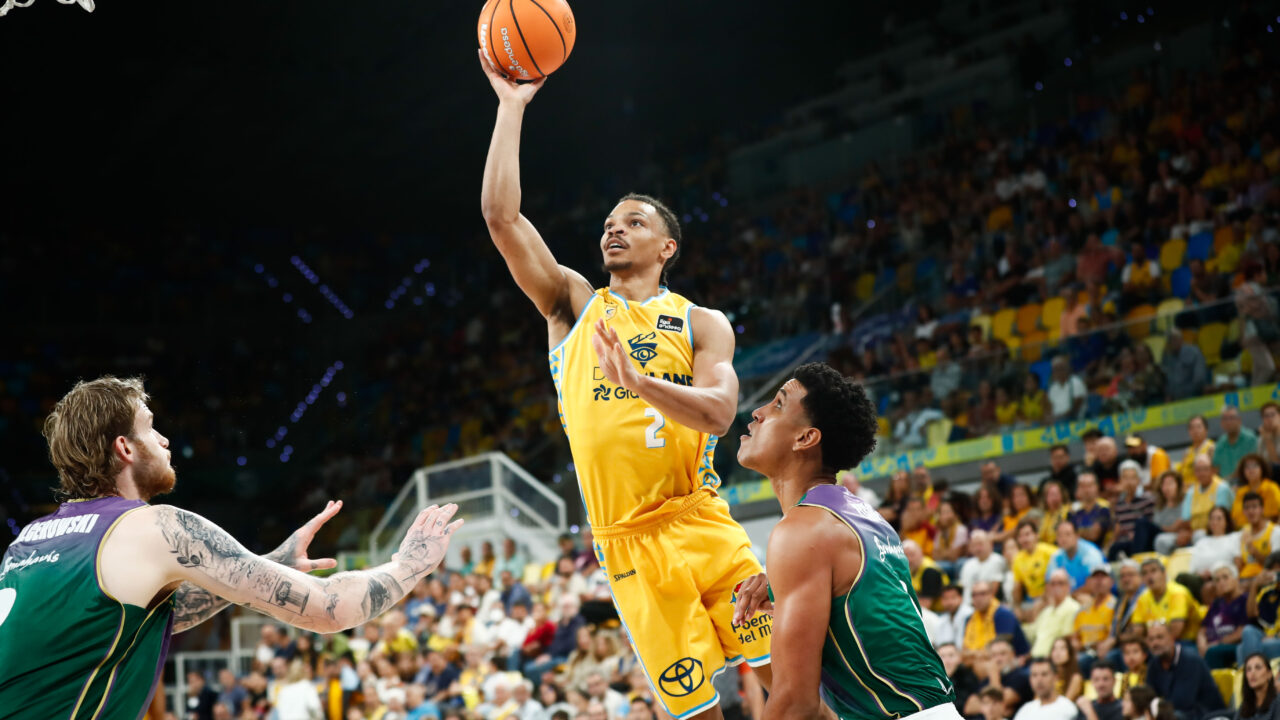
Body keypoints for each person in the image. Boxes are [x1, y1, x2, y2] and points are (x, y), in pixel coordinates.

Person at [479, 54, 772, 718]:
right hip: (626, 541)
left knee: (790, 680)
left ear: (668, 247)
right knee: (698, 711)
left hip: (703, 520)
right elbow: (502, 218)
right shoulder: (574, 305)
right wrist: (511, 107)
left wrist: (637, 382)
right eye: (610, 221)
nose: (615, 227)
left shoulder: (702, 321)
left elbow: (722, 413)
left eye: (635, 221)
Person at [0, 377, 459, 718]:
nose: (163, 440)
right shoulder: (153, 526)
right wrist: (410, 564)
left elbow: (146, 618)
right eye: (151, 428)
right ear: (125, 447)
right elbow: (329, 609)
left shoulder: (26, 544)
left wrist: (269, 564)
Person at [731, 363, 957, 720]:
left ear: (805, 438)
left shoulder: (805, 530)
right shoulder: (862, 518)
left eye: (777, 404)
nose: (756, 413)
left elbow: (794, 703)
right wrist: (779, 584)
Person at [1143, 621, 1226, 720]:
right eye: (1151, 639)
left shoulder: (1191, 660)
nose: (1155, 643)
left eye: (1160, 637)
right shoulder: (1154, 664)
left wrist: (1157, 709)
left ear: (1172, 638)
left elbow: (1183, 702)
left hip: (1204, 714)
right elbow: (1148, 698)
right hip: (1176, 713)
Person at [1133, 558, 1202, 644]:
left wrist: (1153, 644)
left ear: (1164, 573)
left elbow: (1176, 631)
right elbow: (1137, 632)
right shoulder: (1142, 598)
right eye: (1144, 573)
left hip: (1186, 641)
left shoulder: (1178, 593)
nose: (1149, 576)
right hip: (1155, 643)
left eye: (1153, 571)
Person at [1197, 562, 1246, 669]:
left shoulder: (1244, 600)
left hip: (1232, 646)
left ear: (1236, 578)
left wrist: (1217, 644)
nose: (1221, 582)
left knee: (1213, 652)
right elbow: (1202, 630)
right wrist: (1202, 644)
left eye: (1225, 577)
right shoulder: (1217, 603)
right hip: (1210, 647)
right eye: (1217, 580)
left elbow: (1241, 632)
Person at [963, 581, 1030, 657]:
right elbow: (965, 649)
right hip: (980, 660)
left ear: (992, 594)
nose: (978, 598)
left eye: (982, 594)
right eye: (974, 595)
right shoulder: (969, 619)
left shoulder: (1003, 615)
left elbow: (1001, 649)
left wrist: (972, 655)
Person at [1028, 570, 1082, 657]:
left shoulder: (1073, 608)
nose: (1056, 587)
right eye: (1053, 584)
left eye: (1061, 583)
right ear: (1048, 587)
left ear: (1068, 586)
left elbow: (1067, 639)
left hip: (1053, 659)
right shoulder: (1046, 611)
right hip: (1035, 658)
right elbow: (1032, 633)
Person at [1011, 520, 1058, 621]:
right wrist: (1016, 607)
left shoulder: (1050, 552)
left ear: (1036, 535)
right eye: (1020, 536)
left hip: (1052, 596)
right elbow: (1017, 588)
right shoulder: (1018, 559)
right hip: (1031, 600)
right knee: (1010, 613)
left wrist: (1044, 599)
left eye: (1027, 534)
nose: (1024, 539)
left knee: (1039, 607)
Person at [1075, 567, 1117, 674]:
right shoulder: (1083, 608)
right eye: (1095, 577)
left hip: (1102, 652)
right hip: (1084, 651)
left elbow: (1113, 636)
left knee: (1081, 662)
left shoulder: (1116, 606)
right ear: (1089, 582)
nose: (1099, 580)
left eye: (1103, 577)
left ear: (1112, 582)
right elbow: (1075, 636)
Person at [1047, 519, 1106, 591]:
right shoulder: (1056, 556)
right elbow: (1049, 583)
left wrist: (1070, 597)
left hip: (1091, 595)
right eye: (1060, 535)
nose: (1063, 539)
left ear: (1077, 536)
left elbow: (1095, 585)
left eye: (1068, 534)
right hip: (1066, 597)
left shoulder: (1090, 553)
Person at [1011, 658, 1078, 720]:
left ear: (1055, 677)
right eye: (1034, 675)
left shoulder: (1067, 708)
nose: (1039, 680)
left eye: (1044, 674)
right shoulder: (1026, 709)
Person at [1239, 492, 1280, 582]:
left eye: (1254, 507)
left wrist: (1253, 550)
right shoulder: (1243, 532)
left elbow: (1275, 566)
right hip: (1244, 578)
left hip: (1266, 578)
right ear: (1243, 512)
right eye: (1247, 508)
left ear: (1262, 509)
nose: (1251, 511)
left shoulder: (1275, 532)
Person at [959, 531, 1008, 606]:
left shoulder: (997, 560)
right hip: (970, 605)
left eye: (980, 544)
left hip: (991, 605)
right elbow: (966, 589)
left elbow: (994, 591)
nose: (978, 548)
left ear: (990, 545)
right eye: (974, 545)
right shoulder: (968, 564)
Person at [1188, 507, 1240, 578]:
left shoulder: (1234, 538)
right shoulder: (1201, 542)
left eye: (1219, 519)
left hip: (1223, 578)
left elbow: (1237, 565)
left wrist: (1214, 573)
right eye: (1212, 518)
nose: (1215, 522)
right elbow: (1192, 568)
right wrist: (1201, 575)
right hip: (1200, 578)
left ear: (1227, 522)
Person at [1232, 454, 1280, 528]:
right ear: (1243, 472)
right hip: (1242, 532)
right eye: (1247, 467)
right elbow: (1235, 518)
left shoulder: (1271, 488)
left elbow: (1273, 517)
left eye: (1255, 466)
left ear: (1262, 469)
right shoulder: (1240, 492)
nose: (1251, 469)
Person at [1216, 406, 1260, 483]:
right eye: (1225, 419)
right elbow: (1215, 467)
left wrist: (1228, 480)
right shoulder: (1220, 442)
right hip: (1224, 485)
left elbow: (1252, 465)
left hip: (1246, 482)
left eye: (1231, 418)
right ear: (1221, 423)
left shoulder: (1250, 439)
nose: (1228, 422)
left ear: (1239, 420)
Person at [1161, 333, 1210, 402]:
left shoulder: (1194, 352)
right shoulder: (1168, 358)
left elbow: (1199, 378)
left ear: (1181, 339)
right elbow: (1168, 381)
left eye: (1174, 339)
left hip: (1193, 394)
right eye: (1169, 341)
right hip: (1175, 398)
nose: (1172, 342)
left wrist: (1183, 392)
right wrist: (1169, 394)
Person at [1071, 473, 1113, 548]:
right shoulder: (1073, 511)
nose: (1086, 490)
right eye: (1083, 486)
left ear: (1097, 487)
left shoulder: (1104, 508)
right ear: (1078, 489)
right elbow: (1068, 536)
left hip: (1099, 551)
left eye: (1090, 486)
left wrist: (1077, 533)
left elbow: (1094, 535)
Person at [1174, 417, 1216, 489]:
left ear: (1206, 430)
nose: (1195, 430)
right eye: (1192, 428)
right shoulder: (1187, 452)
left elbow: (1214, 475)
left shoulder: (1211, 448)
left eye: (1198, 427)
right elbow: (1181, 473)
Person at [1237, 652, 1280, 720]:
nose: (1252, 673)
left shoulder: (1277, 702)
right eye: (1248, 669)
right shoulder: (1244, 705)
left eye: (1258, 667)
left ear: (1269, 673)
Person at [935, 584, 974, 648]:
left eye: (953, 598)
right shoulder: (941, 620)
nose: (949, 602)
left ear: (961, 598)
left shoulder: (970, 614)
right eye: (945, 598)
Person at [1049, 637, 1084, 701]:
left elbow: (1066, 703)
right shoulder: (1048, 676)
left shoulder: (1076, 678)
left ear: (1070, 653)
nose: (1057, 652)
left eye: (1062, 648)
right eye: (1054, 649)